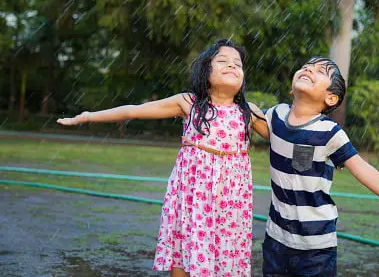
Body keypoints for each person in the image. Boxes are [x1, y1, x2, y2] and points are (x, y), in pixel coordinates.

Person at [57, 39, 266, 277]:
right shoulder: (189, 103)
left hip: (231, 202)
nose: (232, 66)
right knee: (184, 249)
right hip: (191, 198)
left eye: (237, 64)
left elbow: (287, 135)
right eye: (223, 61)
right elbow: (132, 111)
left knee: (227, 256)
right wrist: (87, 116)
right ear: (205, 70)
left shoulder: (249, 111)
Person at [261, 56, 379, 277]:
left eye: (320, 71)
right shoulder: (276, 115)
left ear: (331, 97)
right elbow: (248, 115)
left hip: (315, 246)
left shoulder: (329, 132)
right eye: (306, 66)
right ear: (292, 89)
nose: (308, 69)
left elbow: (363, 169)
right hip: (276, 239)